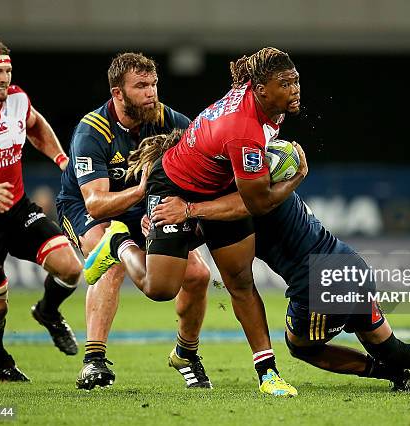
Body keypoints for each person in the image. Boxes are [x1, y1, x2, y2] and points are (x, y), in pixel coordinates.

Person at [141, 136, 410, 393]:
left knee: (301, 347)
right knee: (392, 346)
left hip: (318, 283)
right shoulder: (256, 181)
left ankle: (385, 373)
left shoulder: (236, 200)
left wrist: (178, 223)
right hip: (348, 263)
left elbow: (225, 225)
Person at [84, 47, 306, 396]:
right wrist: (295, 178)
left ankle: (268, 375)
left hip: (216, 184)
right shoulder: (243, 130)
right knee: (160, 288)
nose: (295, 89)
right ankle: (118, 243)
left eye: (296, 81)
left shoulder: (257, 94)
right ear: (261, 89)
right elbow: (257, 203)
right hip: (173, 185)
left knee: (241, 282)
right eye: (286, 83)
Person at [55, 52, 212, 390]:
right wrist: (143, 191)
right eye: (140, 86)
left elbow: (201, 170)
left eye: (153, 84)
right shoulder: (92, 131)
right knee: (109, 260)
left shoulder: (171, 122)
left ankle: (186, 353)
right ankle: (93, 361)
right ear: (117, 93)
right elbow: (95, 204)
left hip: (142, 208)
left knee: (199, 275)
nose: (150, 93)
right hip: (86, 208)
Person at [0, 35, 82, 382]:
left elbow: (35, 125)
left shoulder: (17, 99)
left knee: (69, 267)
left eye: (7, 69)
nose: (5, 78)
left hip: (16, 210)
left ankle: (48, 312)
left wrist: (60, 158)